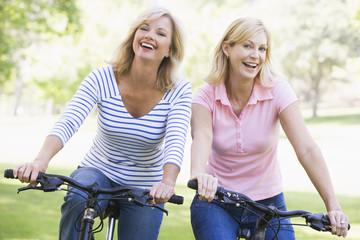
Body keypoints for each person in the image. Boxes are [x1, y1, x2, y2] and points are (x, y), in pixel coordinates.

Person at [13, 7, 191, 240]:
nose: (149, 35)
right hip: (98, 170)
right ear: (134, 37)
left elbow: (176, 140)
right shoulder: (102, 77)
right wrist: (40, 161)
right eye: (144, 28)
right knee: (78, 199)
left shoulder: (179, 90)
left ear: (170, 49)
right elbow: (69, 121)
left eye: (160, 33)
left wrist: (167, 183)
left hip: (146, 183)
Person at [189, 17, 348, 239]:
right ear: (227, 48)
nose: (256, 55)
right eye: (247, 45)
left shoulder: (277, 90)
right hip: (217, 201)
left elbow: (307, 149)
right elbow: (201, 138)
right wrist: (198, 174)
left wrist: (333, 206)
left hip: (268, 205)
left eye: (262, 48)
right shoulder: (205, 96)